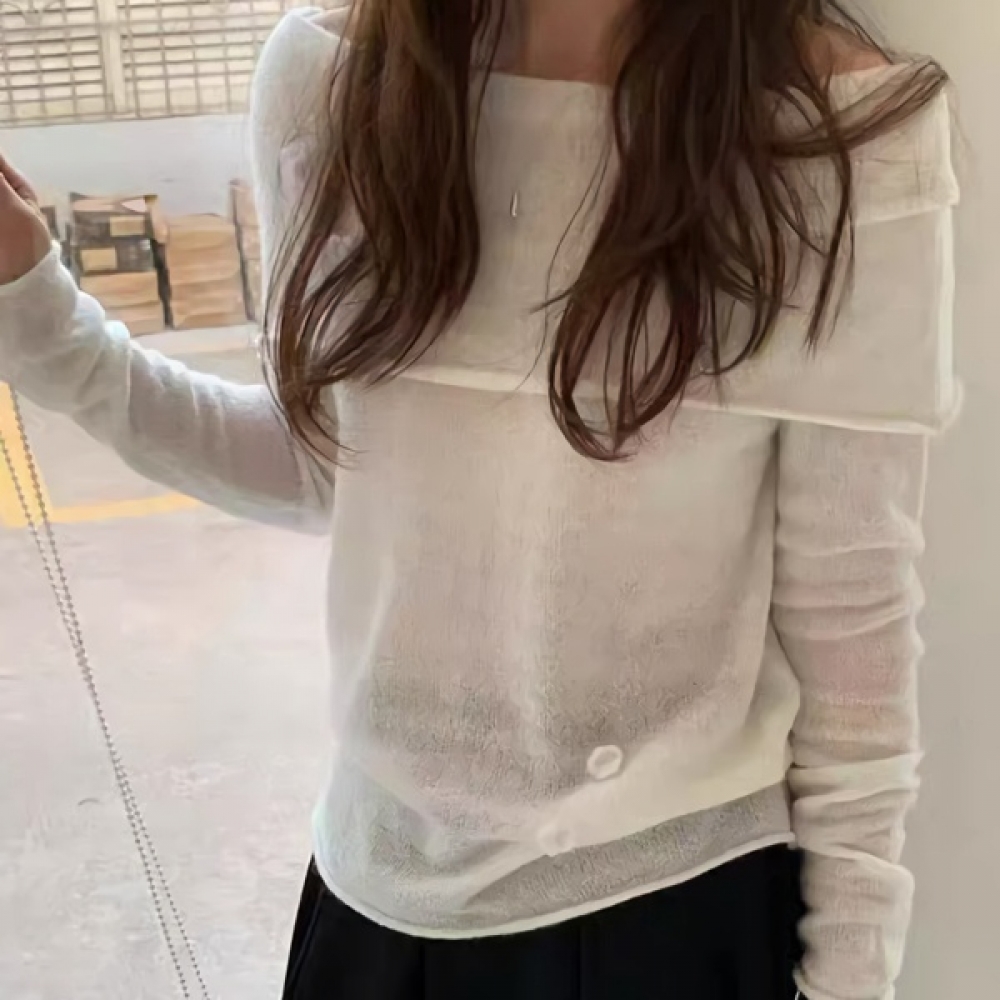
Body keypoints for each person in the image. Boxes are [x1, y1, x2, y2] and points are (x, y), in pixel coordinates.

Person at [0, 1, 960, 998]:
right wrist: (42, 320)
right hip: (376, 894)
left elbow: (850, 609)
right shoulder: (328, 79)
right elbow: (322, 462)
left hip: (668, 909)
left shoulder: (839, 129)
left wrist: (851, 975)